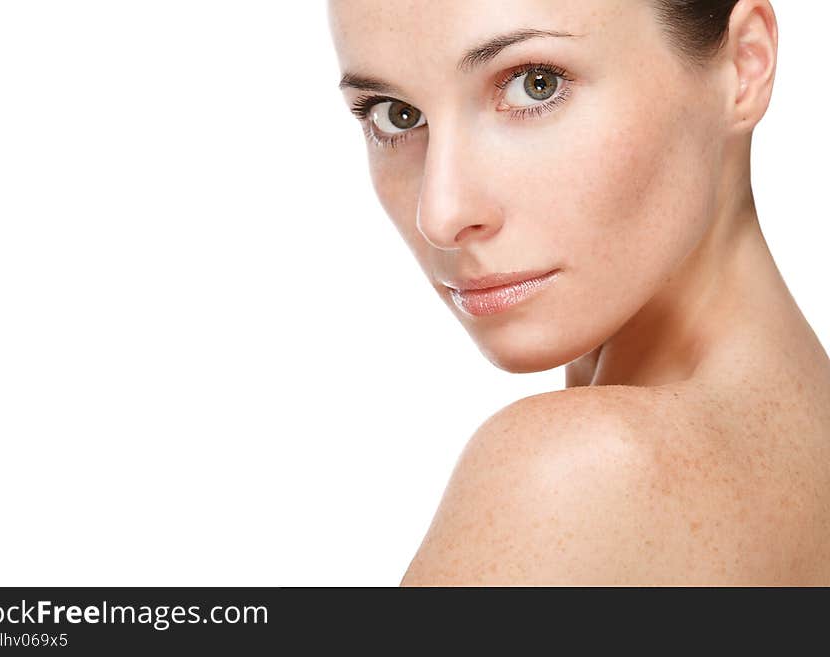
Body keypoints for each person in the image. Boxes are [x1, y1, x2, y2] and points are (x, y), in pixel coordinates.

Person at [327, 0, 830, 584]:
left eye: (534, 86)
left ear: (745, 64)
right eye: (395, 115)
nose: (440, 214)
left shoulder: (570, 473)